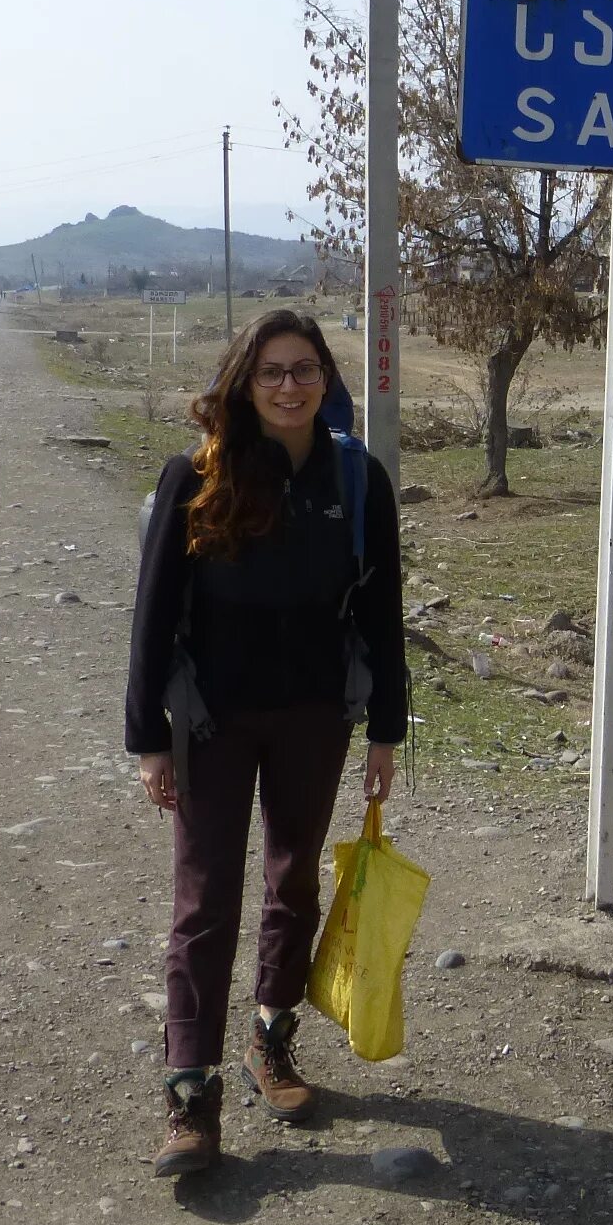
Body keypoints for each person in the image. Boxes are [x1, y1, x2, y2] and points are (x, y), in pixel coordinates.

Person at [124, 308, 405, 1177]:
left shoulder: (357, 480)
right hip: (212, 720)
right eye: (273, 372)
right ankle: (189, 1097)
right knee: (204, 901)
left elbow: (381, 612)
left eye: (305, 370)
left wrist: (387, 730)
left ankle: (270, 1041)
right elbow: (153, 616)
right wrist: (149, 740)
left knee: (294, 881)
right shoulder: (195, 476)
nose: (291, 386)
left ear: (327, 379)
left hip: (314, 717)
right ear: (245, 382)